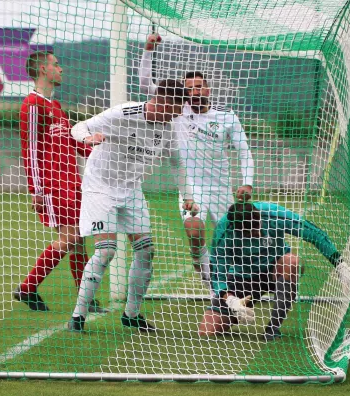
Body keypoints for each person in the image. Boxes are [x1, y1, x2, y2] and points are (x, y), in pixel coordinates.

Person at [67, 79, 197, 333]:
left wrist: (188, 195)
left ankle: (131, 315)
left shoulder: (168, 128)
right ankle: (78, 316)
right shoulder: (123, 112)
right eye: (176, 108)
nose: (179, 114)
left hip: (131, 189)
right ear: (161, 102)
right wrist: (88, 137)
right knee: (106, 251)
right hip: (100, 187)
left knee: (146, 250)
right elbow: (78, 126)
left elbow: (177, 164)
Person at [139, 33, 254, 291]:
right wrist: (148, 49)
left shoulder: (226, 116)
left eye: (199, 86)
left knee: (235, 244)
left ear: (207, 88)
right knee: (194, 230)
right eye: (189, 88)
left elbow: (244, 151)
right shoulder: (178, 112)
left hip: (222, 189)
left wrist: (247, 183)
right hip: (192, 189)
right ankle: (202, 266)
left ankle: (231, 286)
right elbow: (146, 83)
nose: (195, 91)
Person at [14, 50, 106, 313]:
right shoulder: (33, 104)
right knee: (71, 238)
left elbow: (70, 143)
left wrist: (98, 151)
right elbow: (29, 148)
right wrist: (36, 190)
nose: (61, 69)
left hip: (72, 183)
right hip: (53, 185)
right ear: (43, 70)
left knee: (78, 240)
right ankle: (27, 287)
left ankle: (85, 299)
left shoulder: (55, 106)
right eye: (56, 65)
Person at [198, 201, 350, 341]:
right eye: (249, 232)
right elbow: (217, 275)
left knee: (292, 262)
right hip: (243, 278)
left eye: (257, 226)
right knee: (207, 331)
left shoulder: (273, 214)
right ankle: (237, 312)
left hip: (275, 269)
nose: (256, 233)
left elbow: (313, 233)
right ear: (236, 228)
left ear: (258, 216)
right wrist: (232, 301)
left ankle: (272, 329)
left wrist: (340, 266)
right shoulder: (224, 233)